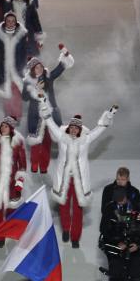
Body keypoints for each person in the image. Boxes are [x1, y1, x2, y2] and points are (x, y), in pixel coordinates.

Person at [41, 101, 118, 248]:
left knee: (77, 209)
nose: (74, 130)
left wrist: (110, 114)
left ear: (80, 130)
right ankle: (65, 229)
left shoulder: (86, 140)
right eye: (72, 127)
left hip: (79, 181)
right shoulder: (61, 136)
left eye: (77, 128)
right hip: (64, 179)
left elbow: (100, 128)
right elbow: (49, 121)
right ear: (69, 128)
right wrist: (43, 104)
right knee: (63, 206)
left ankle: (75, 237)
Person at [23, 47, 74, 173]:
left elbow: (60, 68)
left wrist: (65, 54)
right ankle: (34, 165)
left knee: (47, 141)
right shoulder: (28, 82)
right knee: (35, 141)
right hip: (35, 115)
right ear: (32, 70)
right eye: (36, 68)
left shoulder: (48, 77)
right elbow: (24, 97)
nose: (39, 69)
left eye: (40, 66)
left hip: (50, 114)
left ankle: (44, 166)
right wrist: (35, 88)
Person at [99, 187, 140, 281]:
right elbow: (103, 230)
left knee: (134, 280)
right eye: (118, 201)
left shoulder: (136, 209)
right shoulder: (109, 209)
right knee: (116, 277)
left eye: (122, 200)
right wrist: (118, 241)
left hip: (134, 249)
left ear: (126, 198)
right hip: (116, 249)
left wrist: (137, 244)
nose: (120, 203)